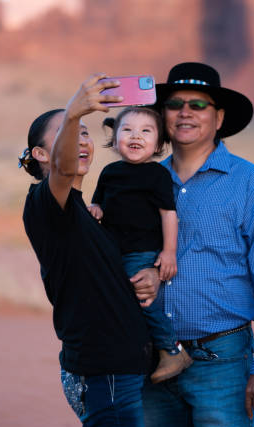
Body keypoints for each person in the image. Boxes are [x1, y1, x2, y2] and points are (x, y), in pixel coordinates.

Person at [141, 62, 254, 427]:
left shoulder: (251, 184)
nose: (185, 112)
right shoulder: (143, 182)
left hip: (222, 361)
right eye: (175, 103)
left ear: (219, 117)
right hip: (152, 361)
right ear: (163, 116)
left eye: (198, 104)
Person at [19, 74, 160, 427]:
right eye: (69, 133)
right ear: (40, 154)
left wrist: (148, 278)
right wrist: (73, 113)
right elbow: (64, 169)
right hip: (105, 373)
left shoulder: (89, 214)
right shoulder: (45, 205)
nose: (81, 140)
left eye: (84, 133)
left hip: (120, 373)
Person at [88, 106, 193, 384]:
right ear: (115, 138)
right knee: (113, 300)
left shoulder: (157, 175)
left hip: (143, 250)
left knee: (143, 297)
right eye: (127, 130)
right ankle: (125, 350)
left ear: (159, 143)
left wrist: (168, 252)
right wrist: (96, 208)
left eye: (146, 131)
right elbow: (98, 202)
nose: (136, 136)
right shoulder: (110, 172)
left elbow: (168, 214)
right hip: (113, 250)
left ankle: (171, 350)